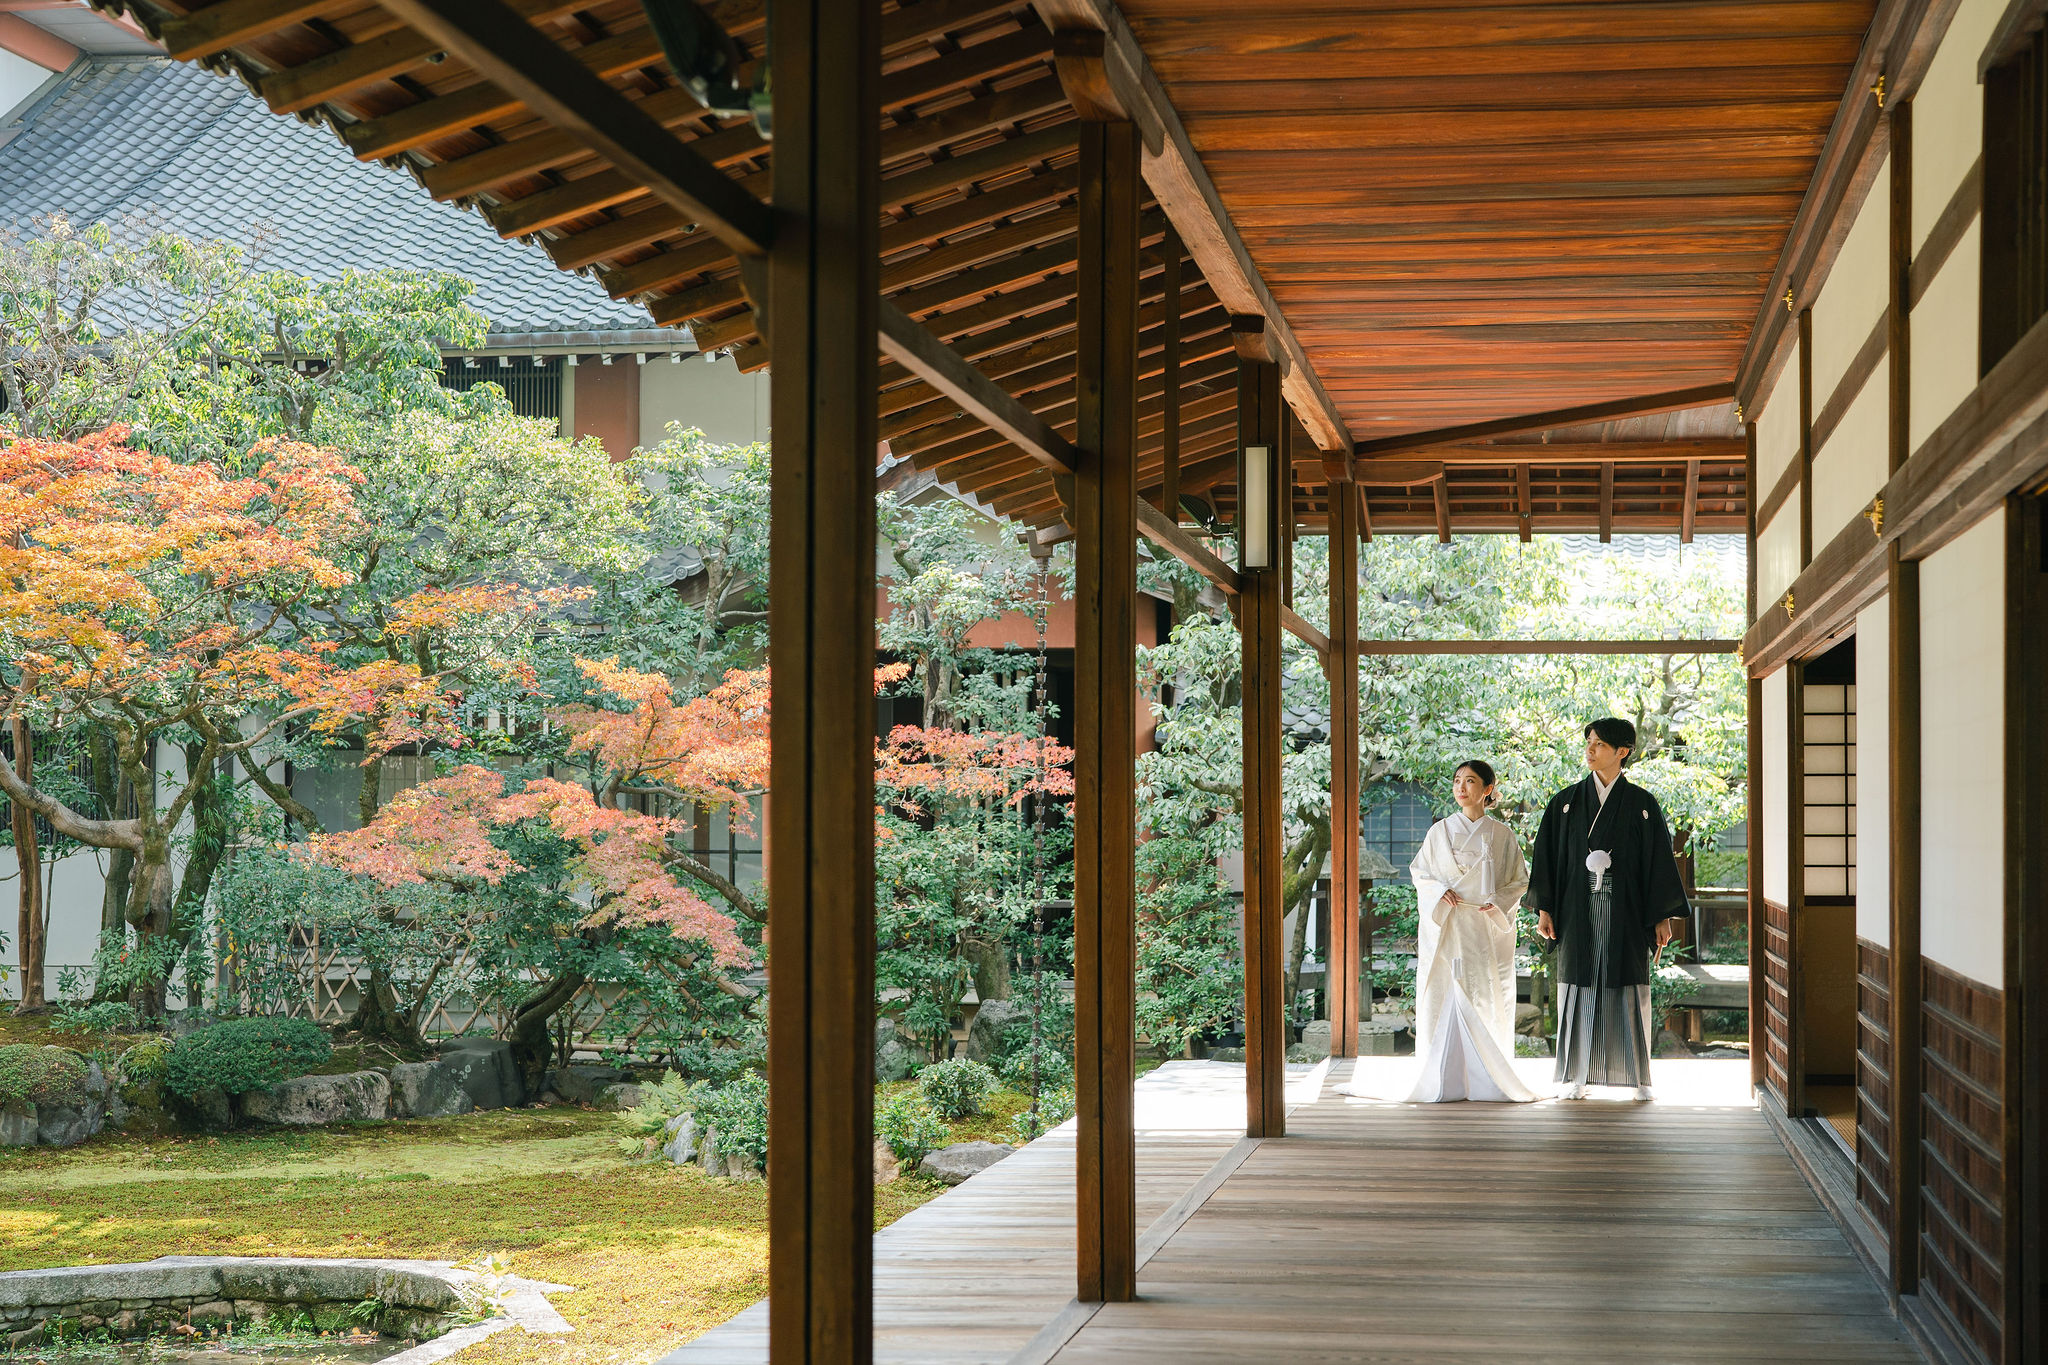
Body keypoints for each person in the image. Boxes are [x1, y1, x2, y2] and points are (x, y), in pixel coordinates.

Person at [1525, 717, 1689, 1101]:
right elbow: (1546, 860)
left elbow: (1657, 862)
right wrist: (1544, 910)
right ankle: (1577, 1076)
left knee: (1628, 987)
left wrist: (1661, 916)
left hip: (1627, 912)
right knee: (1579, 986)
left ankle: (1637, 1078)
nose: (1590, 749)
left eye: (1598, 744)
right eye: (1588, 742)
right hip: (1576, 909)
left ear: (1622, 751)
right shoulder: (1564, 803)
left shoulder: (1642, 804)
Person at [1403, 760, 1536, 1103]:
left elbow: (1519, 881)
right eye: (1457, 781)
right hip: (1449, 923)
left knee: (1484, 995)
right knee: (1445, 991)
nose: (1461, 787)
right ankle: (1443, 1075)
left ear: (1488, 789)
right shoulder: (1439, 832)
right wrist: (1437, 893)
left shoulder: (1502, 835)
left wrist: (1499, 903)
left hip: (1483, 924)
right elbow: (1421, 873)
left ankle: (1486, 1076)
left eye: (1471, 781)